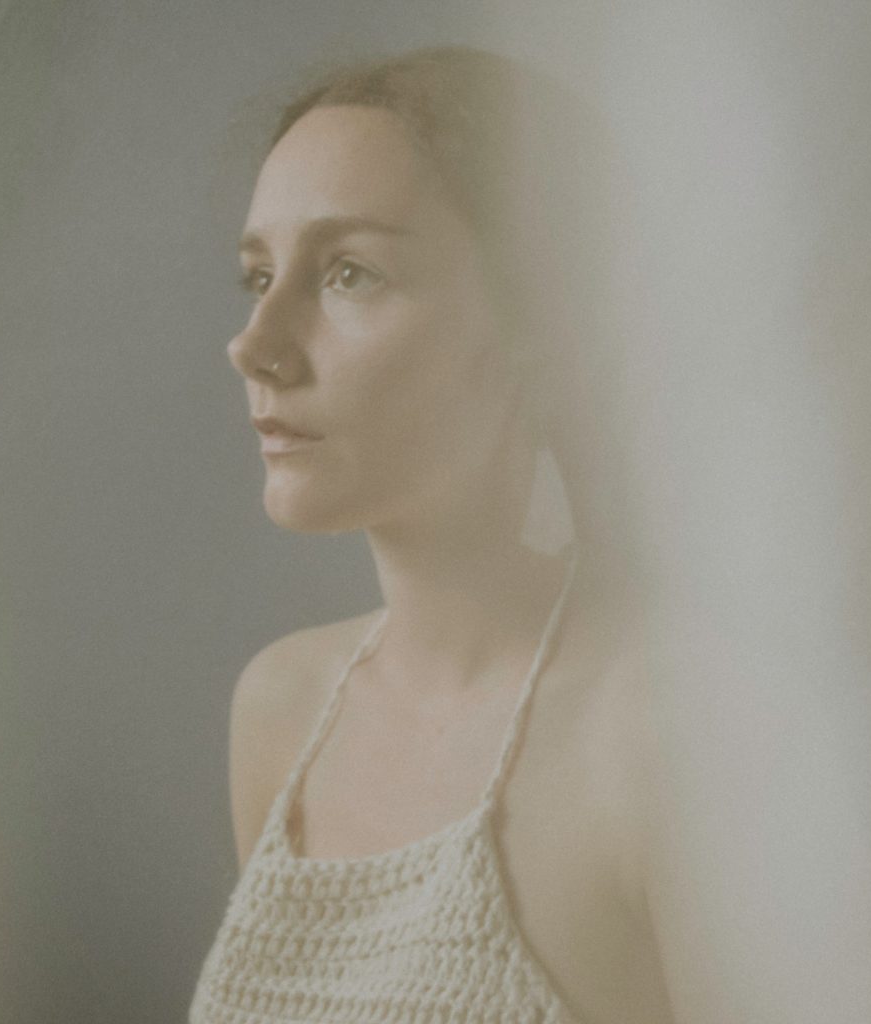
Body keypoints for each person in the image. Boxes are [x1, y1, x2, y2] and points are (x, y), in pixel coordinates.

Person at [188, 46, 678, 1023]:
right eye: (258, 276)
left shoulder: (668, 738)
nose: (255, 345)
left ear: (538, 325)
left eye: (349, 273)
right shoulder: (282, 710)